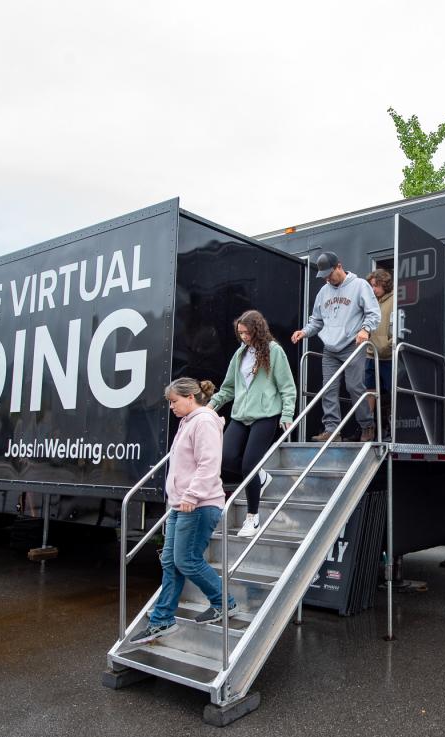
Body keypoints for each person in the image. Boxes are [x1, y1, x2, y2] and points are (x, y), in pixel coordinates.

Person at [132, 378, 235, 644]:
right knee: (170, 561)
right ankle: (163, 619)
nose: (171, 407)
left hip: (199, 504)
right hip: (181, 504)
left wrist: (191, 494)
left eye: (174, 401)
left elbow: (209, 464)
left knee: (186, 560)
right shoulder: (188, 421)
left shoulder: (203, 421)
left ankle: (224, 603)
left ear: (191, 397)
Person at [208, 310, 297, 538]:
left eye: (247, 333)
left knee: (249, 466)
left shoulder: (274, 351)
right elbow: (228, 388)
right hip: (240, 414)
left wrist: (287, 414)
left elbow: (287, 386)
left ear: (257, 330)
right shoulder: (240, 354)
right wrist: (211, 406)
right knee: (225, 458)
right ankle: (261, 476)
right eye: (240, 333)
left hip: (266, 415)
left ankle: (253, 519)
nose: (244, 337)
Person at [291, 251, 381, 442]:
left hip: (352, 345)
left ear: (339, 266)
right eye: (324, 276)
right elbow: (316, 320)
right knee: (328, 388)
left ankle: (367, 426)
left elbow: (373, 313)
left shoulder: (359, 286)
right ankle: (332, 430)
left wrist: (365, 329)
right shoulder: (323, 292)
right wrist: (304, 331)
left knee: (354, 386)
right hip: (330, 348)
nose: (328, 279)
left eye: (330, 274)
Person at [365, 269, 395, 430]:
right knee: (369, 391)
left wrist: (388, 345)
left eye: (376, 285)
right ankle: (367, 426)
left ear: (385, 283)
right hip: (371, 353)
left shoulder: (396, 299)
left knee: (392, 393)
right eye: (371, 286)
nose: (373, 289)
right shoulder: (371, 302)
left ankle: (392, 427)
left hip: (389, 355)